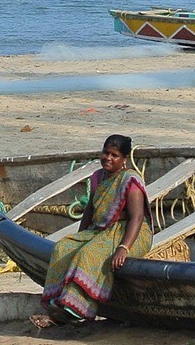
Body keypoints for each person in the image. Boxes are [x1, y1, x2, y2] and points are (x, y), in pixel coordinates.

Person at [33, 134, 149, 328]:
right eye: (106, 153)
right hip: (102, 230)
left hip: (130, 233)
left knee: (89, 254)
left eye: (114, 155)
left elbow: (137, 218)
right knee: (63, 247)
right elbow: (90, 211)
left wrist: (124, 248)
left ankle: (77, 311)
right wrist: (80, 236)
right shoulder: (98, 176)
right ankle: (57, 304)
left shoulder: (130, 180)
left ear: (124, 159)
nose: (108, 158)